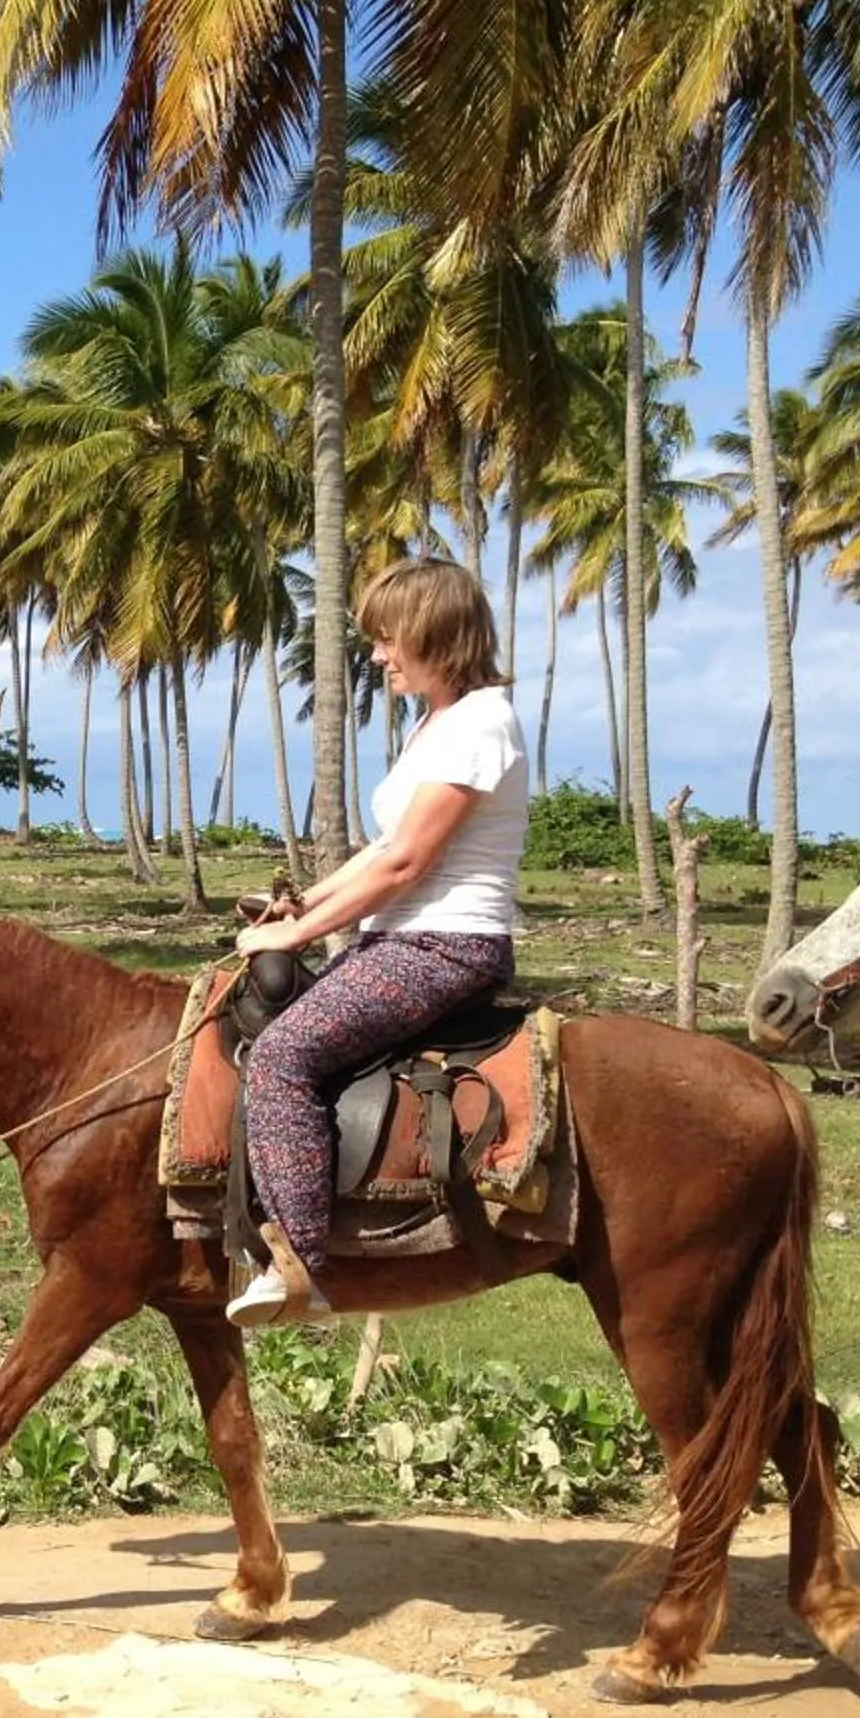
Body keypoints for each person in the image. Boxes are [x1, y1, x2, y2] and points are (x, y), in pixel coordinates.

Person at [226, 558, 530, 1327]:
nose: (380, 655)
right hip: (399, 937)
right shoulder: (440, 722)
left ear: (436, 633)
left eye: (390, 639)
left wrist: (300, 931)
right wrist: (300, 905)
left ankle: (298, 1263)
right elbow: (379, 849)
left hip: (443, 945)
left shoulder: (480, 722)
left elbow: (407, 863)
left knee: (284, 1057)